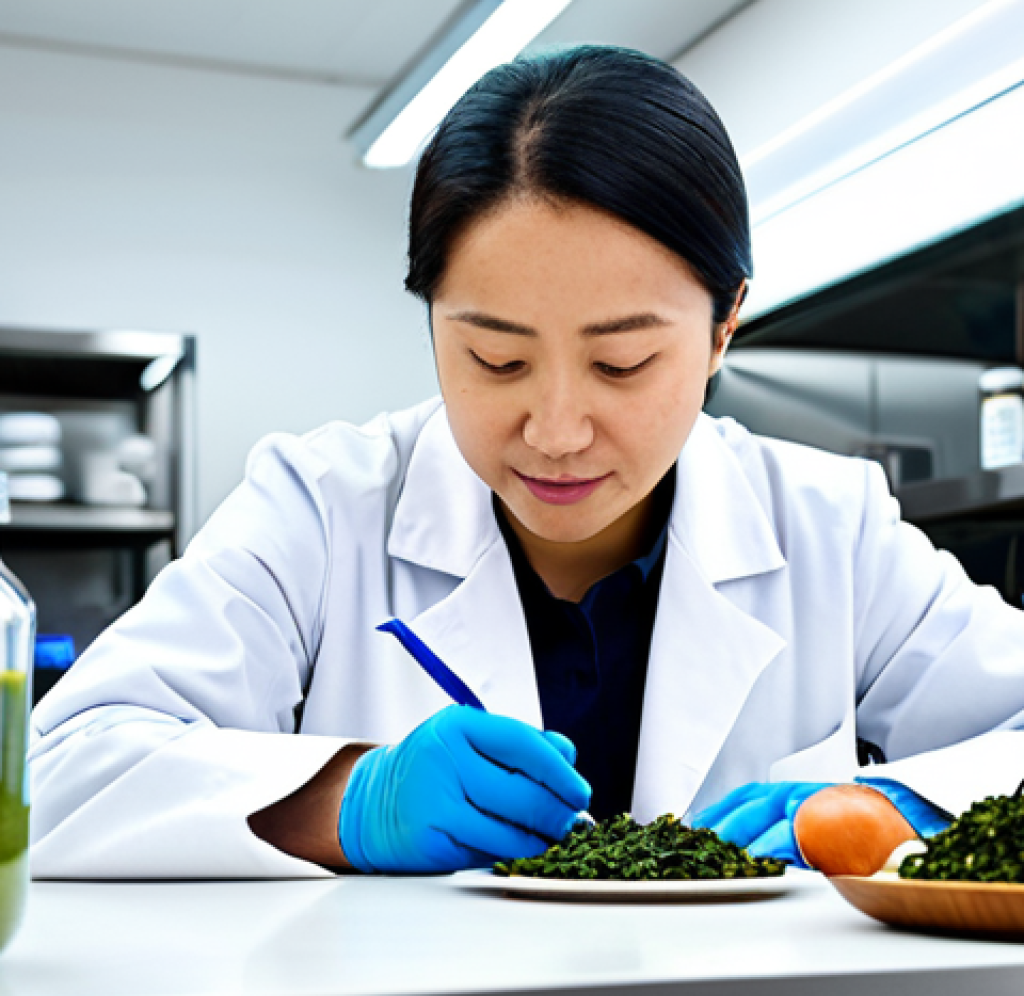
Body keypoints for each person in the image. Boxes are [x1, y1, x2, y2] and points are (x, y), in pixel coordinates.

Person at [29, 46, 1024, 879]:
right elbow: (58, 770)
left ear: (724, 327)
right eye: (495, 359)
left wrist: (899, 805)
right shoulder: (321, 507)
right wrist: (348, 801)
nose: (555, 430)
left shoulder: (829, 525)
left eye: (621, 363)